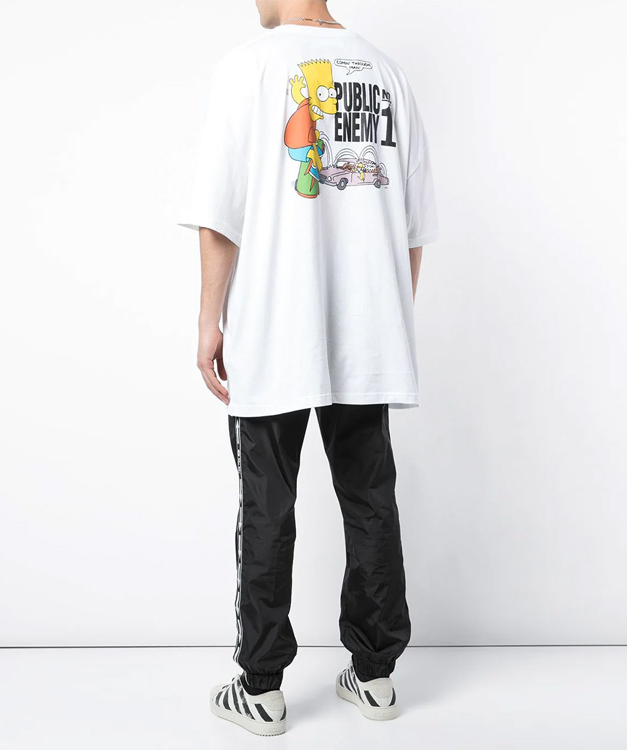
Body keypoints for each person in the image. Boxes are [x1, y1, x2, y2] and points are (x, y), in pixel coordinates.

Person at [176, 0, 439, 736]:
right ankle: (376, 677)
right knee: (370, 498)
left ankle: (260, 689)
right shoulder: (387, 73)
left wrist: (208, 321)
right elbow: (413, 227)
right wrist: (384, 321)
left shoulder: (248, 67)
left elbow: (219, 212)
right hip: (369, 334)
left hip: (274, 329)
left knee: (267, 502)